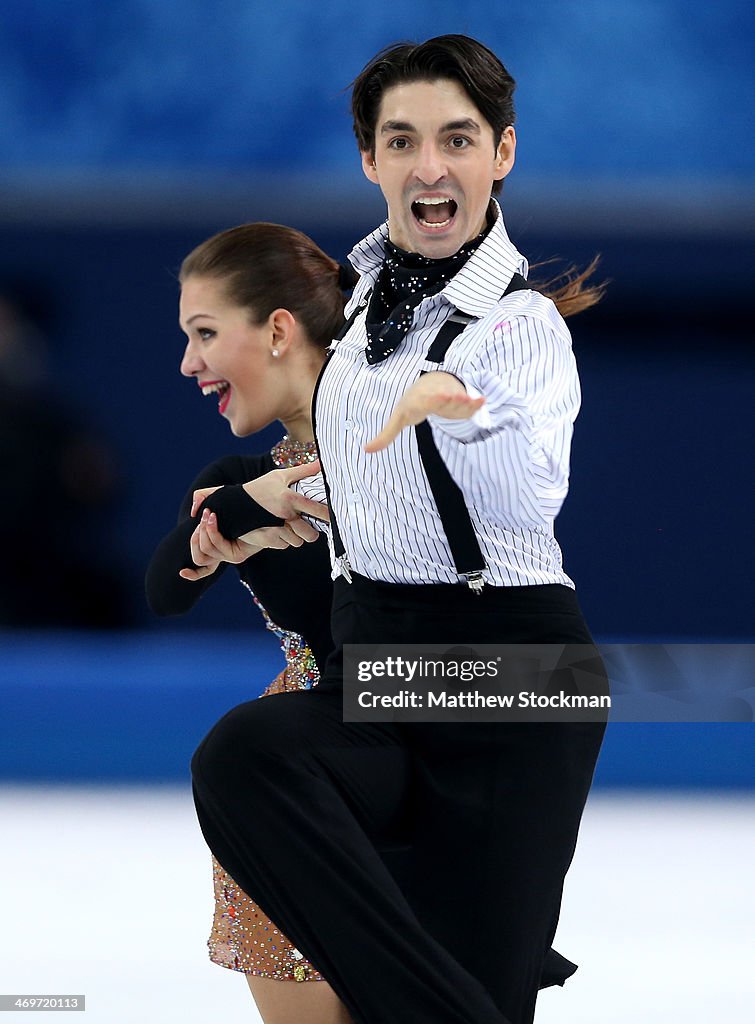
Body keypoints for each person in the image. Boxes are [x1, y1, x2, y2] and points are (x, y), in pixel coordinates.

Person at [189, 35, 608, 1024]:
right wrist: (275, 501)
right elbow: (367, 478)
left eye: (456, 139)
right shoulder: (358, 315)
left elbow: (530, 491)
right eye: (402, 139)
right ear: (370, 160)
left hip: (506, 671)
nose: (430, 165)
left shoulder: (517, 328)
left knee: (481, 984)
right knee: (247, 756)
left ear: (499, 154)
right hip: (379, 670)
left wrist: (460, 410)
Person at [146, 223, 353, 1024]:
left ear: (275, 330)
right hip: (293, 777)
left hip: (429, 730)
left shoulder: (401, 448)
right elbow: (167, 588)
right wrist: (239, 512)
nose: (188, 364)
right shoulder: (235, 479)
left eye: (204, 334)